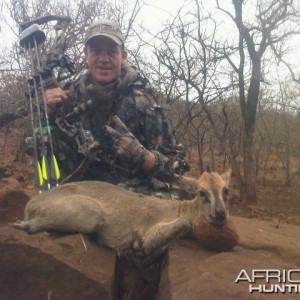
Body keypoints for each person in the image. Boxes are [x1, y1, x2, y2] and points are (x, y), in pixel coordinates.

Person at [44, 18, 189, 198]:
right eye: (96, 51)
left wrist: (145, 158)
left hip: (132, 199)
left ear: (123, 56)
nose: (103, 59)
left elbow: (178, 167)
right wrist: (47, 114)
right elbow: (46, 153)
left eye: (111, 52)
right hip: (83, 196)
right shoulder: (68, 96)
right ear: (85, 54)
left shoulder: (144, 101)